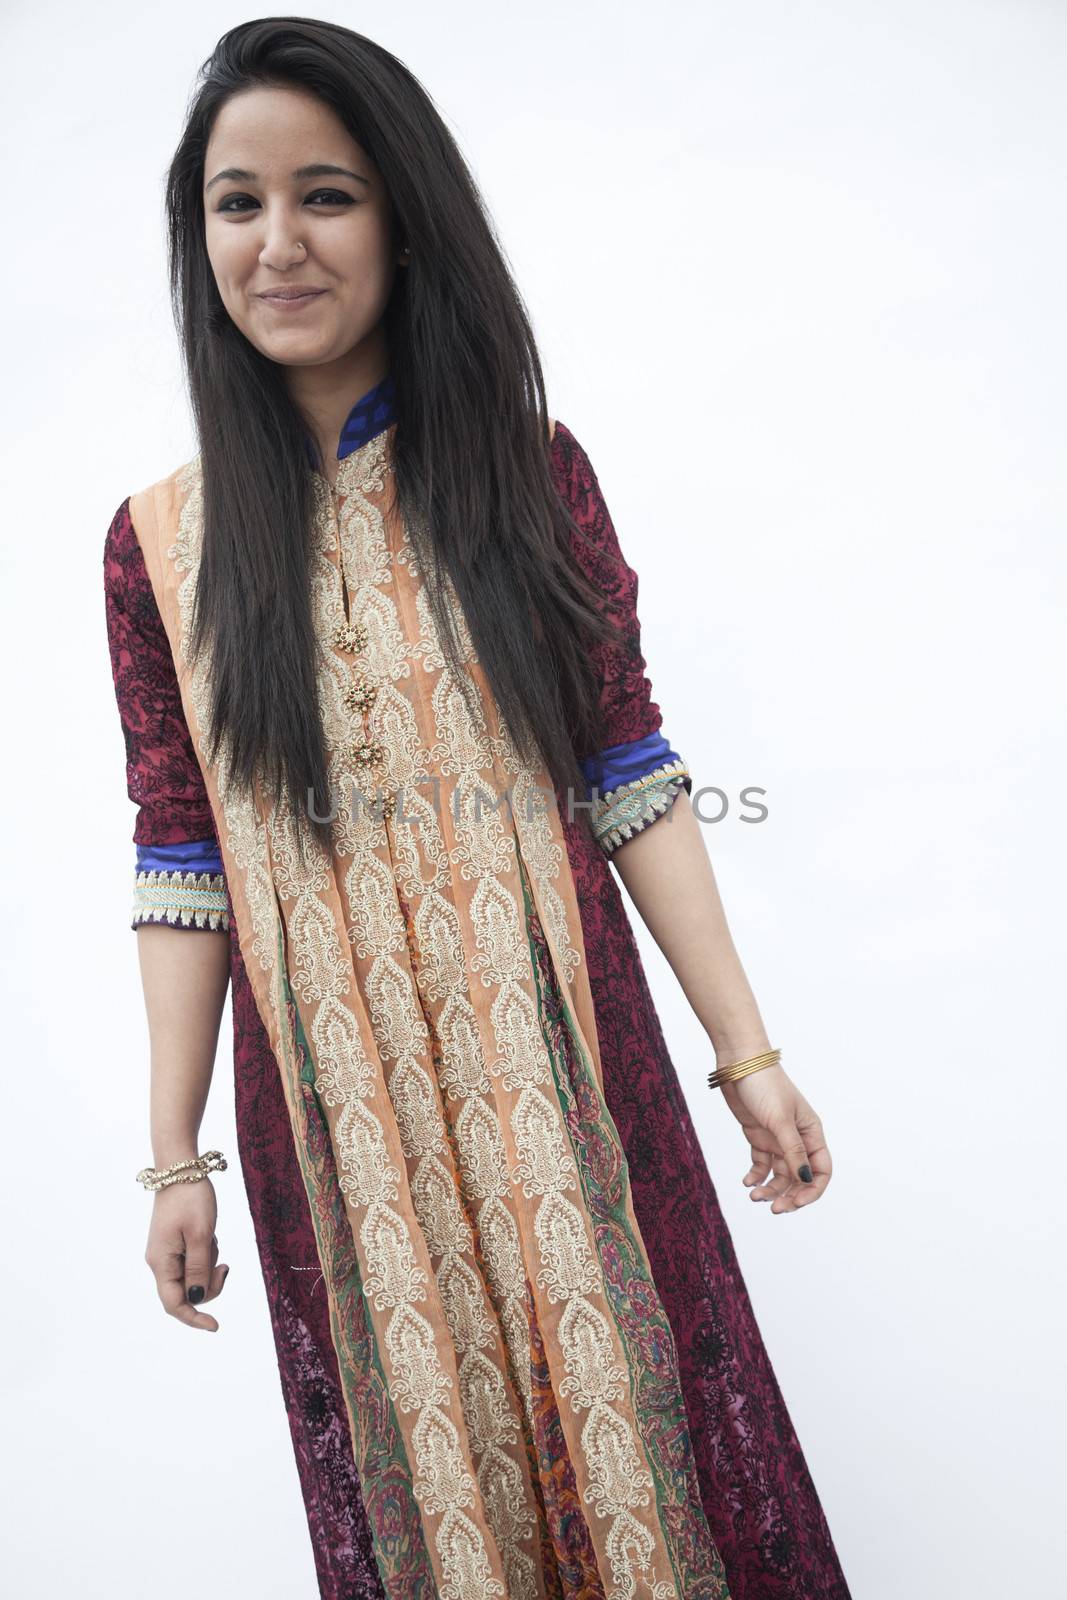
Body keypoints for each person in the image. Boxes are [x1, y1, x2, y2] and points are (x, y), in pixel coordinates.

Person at [103, 18, 850, 1600]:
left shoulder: (521, 472)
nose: (279, 243)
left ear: (403, 217)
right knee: (428, 1494)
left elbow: (631, 769)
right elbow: (181, 852)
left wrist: (751, 1058)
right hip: (333, 1109)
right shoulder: (158, 547)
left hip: (561, 1064)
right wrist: (174, 1158)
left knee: (654, 1476)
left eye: (329, 195)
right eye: (238, 205)